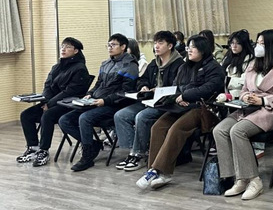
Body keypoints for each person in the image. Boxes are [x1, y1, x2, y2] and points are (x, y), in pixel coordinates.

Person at [213, 30, 273, 200]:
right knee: (219, 130)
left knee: (237, 131)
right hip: (248, 108)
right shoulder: (253, 64)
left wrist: (263, 100)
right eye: (257, 43)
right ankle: (236, 178)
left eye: (262, 43)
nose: (258, 46)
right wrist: (245, 97)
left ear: (271, 46)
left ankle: (254, 180)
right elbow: (244, 88)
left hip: (271, 111)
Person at [136, 35, 225, 190]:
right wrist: (179, 97)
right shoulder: (184, 67)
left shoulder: (214, 68)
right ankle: (154, 170)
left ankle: (159, 171)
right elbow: (176, 87)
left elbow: (208, 89)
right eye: (188, 47)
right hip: (181, 106)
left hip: (203, 109)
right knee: (158, 127)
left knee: (176, 129)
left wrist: (186, 96)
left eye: (193, 47)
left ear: (203, 49)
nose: (189, 50)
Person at [59, 33, 139, 171]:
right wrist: (89, 94)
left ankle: (87, 156)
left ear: (123, 47)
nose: (110, 47)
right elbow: (98, 84)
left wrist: (105, 101)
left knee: (84, 118)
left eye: (113, 45)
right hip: (96, 102)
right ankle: (93, 144)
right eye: (108, 45)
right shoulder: (106, 63)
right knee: (64, 120)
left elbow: (126, 92)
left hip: (114, 105)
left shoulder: (130, 65)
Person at [113, 31, 184, 171]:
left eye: (160, 43)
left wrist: (159, 91)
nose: (156, 46)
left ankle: (139, 154)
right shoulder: (154, 63)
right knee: (121, 115)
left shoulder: (179, 65)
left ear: (170, 46)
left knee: (142, 117)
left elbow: (178, 88)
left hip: (166, 104)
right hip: (149, 100)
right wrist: (143, 86)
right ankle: (133, 151)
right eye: (155, 43)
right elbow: (142, 79)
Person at [17, 37, 90, 167]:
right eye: (62, 46)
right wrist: (45, 101)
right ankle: (33, 147)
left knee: (48, 115)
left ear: (76, 51)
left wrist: (50, 104)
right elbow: (48, 86)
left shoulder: (80, 68)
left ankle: (44, 150)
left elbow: (69, 92)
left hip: (69, 105)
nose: (63, 49)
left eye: (68, 47)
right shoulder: (57, 67)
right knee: (26, 115)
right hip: (52, 102)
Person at [221, 30, 254, 99]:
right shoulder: (228, 56)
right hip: (223, 91)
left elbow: (245, 81)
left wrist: (227, 81)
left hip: (239, 94)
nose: (234, 46)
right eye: (232, 43)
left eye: (238, 43)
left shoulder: (250, 59)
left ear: (244, 45)